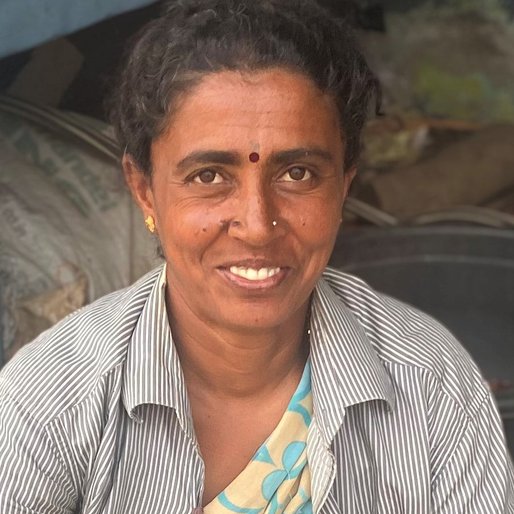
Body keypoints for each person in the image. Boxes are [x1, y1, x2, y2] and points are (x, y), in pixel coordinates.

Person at [1, 0, 513, 512]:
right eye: (209, 176)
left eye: (297, 174)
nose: (256, 225)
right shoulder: (50, 402)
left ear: (344, 187)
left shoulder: (430, 383)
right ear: (144, 191)